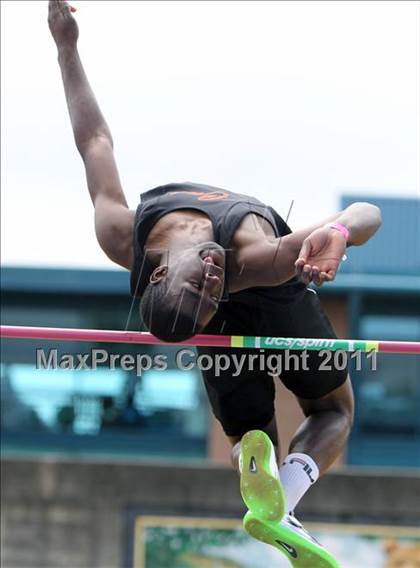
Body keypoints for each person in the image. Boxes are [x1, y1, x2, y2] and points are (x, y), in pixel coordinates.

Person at [48, 2, 382, 566]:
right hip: (252, 308)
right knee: (333, 412)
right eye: (207, 293)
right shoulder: (249, 262)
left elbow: (94, 142)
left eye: (196, 284)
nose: (210, 279)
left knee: (271, 428)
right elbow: (370, 211)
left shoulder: (122, 236)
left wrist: (66, 46)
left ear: (155, 270)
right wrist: (346, 229)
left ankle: (269, 491)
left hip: (250, 306)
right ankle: (276, 488)